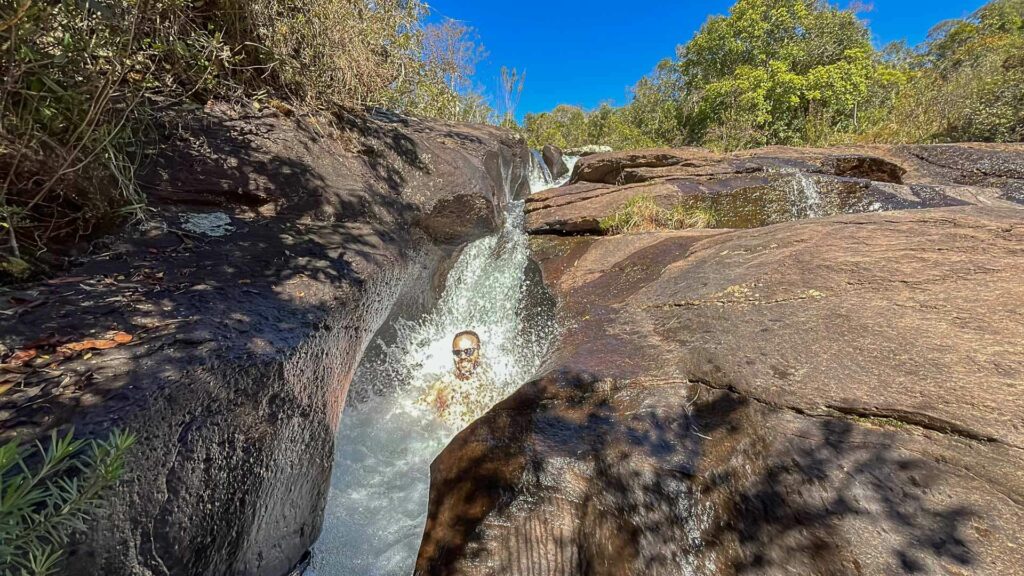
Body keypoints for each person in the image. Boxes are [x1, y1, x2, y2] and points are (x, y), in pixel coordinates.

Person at [416, 330, 499, 427]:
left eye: (468, 351)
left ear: (479, 352)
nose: (462, 356)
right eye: (457, 352)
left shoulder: (490, 388)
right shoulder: (443, 385)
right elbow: (419, 412)